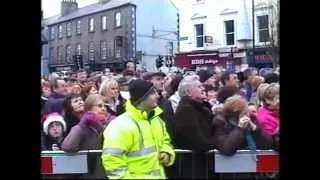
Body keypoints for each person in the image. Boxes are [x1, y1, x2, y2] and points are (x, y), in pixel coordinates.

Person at [101, 79, 175, 179]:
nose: (157, 96)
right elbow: (112, 161)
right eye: (152, 93)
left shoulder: (157, 120)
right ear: (142, 98)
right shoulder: (120, 125)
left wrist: (166, 152)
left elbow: (166, 141)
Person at [171, 75, 215, 178]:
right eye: (199, 87)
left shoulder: (200, 107)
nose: (203, 89)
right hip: (191, 168)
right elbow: (198, 142)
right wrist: (219, 142)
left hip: (200, 165)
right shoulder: (186, 109)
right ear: (188, 91)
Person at [62, 94, 114, 179]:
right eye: (99, 106)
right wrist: (80, 127)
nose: (103, 108)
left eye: (105, 106)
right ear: (89, 108)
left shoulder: (111, 124)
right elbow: (68, 147)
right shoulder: (82, 127)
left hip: (108, 172)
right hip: (89, 173)